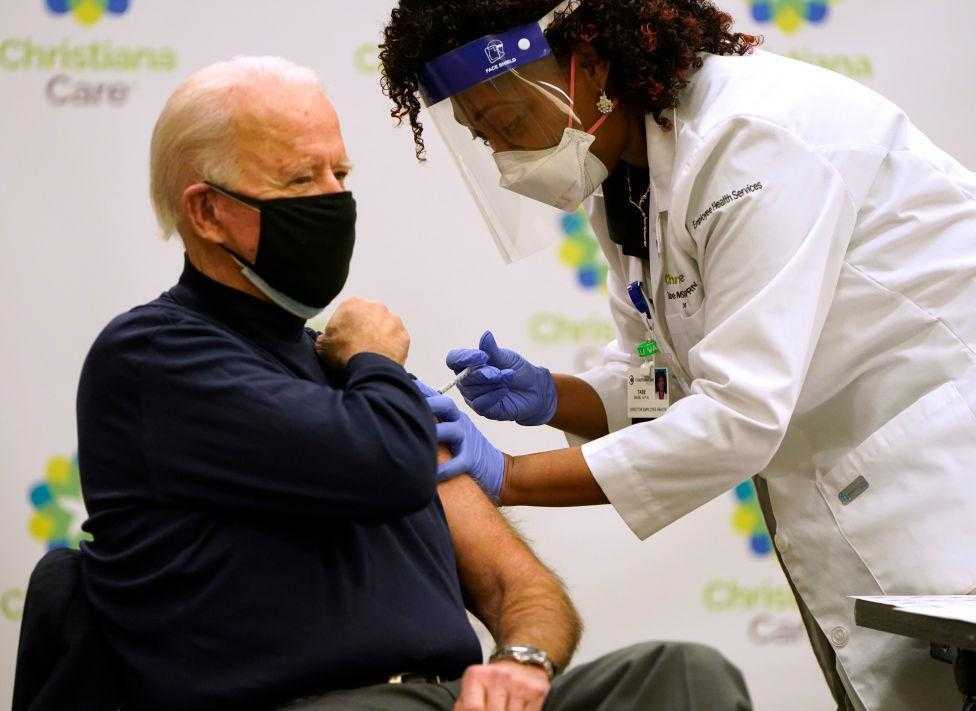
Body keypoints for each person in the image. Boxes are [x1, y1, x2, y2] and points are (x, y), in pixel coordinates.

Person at [76, 56, 752, 711]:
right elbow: (390, 462)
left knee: (681, 676)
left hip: (452, 697)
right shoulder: (158, 356)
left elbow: (521, 584)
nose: (334, 198)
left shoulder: (351, 374)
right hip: (316, 702)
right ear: (208, 211)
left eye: (339, 172)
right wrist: (377, 364)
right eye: (299, 180)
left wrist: (520, 663)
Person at [378, 2, 976, 709]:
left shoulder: (747, 140)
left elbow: (738, 414)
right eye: (484, 139)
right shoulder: (629, 178)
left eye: (509, 122)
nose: (509, 162)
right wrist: (553, 395)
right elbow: (662, 382)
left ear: (590, 63)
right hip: (844, 508)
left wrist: (507, 475)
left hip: (940, 487)